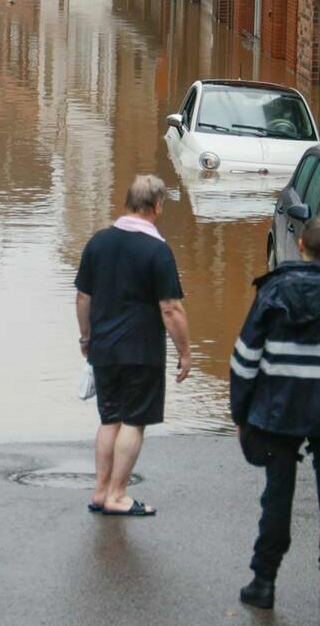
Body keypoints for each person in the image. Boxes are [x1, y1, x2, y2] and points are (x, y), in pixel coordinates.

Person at [230, 216, 320, 613]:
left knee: (276, 497)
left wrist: (241, 414)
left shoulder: (272, 291)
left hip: (278, 414)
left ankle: (263, 582)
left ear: (300, 247)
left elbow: (244, 359)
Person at [74, 174, 190, 517]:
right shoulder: (157, 250)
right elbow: (171, 308)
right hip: (141, 351)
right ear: (157, 206)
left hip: (104, 349)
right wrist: (185, 352)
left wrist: (86, 337)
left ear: (128, 203)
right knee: (133, 422)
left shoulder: (98, 242)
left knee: (109, 419)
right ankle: (118, 495)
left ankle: (99, 492)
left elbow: (83, 296)